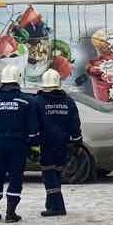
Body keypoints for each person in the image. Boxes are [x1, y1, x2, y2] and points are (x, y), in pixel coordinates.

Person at [0, 65, 40, 223]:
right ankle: (10, 213)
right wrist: (35, 147)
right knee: (15, 177)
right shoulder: (26, 102)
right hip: (18, 145)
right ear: (18, 80)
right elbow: (32, 128)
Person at [32, 69, 83, 217]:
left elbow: (34, 125)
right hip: (63, 144)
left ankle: (57, 207)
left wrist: (33, 143)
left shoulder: (38, 102)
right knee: (56, 173)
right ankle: (51, 204)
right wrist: (76, 141)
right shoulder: (68, 101)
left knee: (49, 175)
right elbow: (75, 123)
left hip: (46, 144)